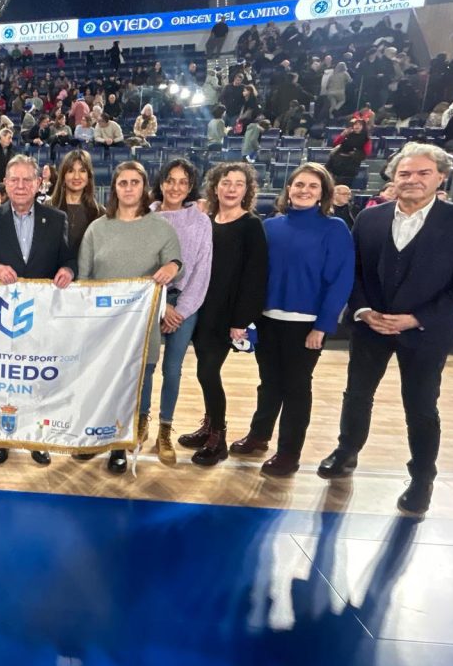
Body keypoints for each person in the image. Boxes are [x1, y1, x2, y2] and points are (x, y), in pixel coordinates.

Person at [317, 143, 453, 516]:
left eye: (423, 173)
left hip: (426, 331)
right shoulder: (371, 219)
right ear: (392, 177)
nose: (412, 180)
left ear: (441, 176)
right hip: (371, 326)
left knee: (421, 406)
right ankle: (347, 452)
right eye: (404, 174)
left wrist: (417, 317)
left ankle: (422, 476)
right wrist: (362, 310)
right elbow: (353, 273)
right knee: (357, 394)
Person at [229, 164, 354, 476]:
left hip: (307, 324)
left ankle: (289, 452)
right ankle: (259, 435)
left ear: (323, 193)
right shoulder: (271, 226)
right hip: (269, 319)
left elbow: (340, 281)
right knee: (269, 383)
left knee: (296, 389)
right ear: (289, 189)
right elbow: (256, 276)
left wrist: (323, 326)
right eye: (299, 184)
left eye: (312, 186)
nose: (304, 190)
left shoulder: (334, 228)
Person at [0, 154, 74, 467]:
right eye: (14, 179)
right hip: (1, 319)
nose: (20, 185)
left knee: (36, 382)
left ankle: (36, 438)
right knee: (3, 380)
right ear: (6, 182)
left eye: (27, 179)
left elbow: (68, 260)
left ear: (38, 183)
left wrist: (68, 271)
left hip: (42, 318)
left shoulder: (56, 219)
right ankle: (1, 437)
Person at [77, 161, 182, 472]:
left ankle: (120, 447)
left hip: (141, 326)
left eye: (135, 182)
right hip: (102, 327)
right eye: (122, 183)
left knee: (133, 388)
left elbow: (176, 261)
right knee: (98, 384)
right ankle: (95, 439)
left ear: (144, 187)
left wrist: (172, 267)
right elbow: (84, 277)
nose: (128, 188)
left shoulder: (161, 227)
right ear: (115, 189)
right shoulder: (97, 228)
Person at [178, 162, 267, 466]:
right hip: (201, 308)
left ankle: (219, 437)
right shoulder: (207, 221)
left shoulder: (251, 225)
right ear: (215, 187)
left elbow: (256, 277)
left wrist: (241, 321)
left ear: (247, 190)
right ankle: (208, 426)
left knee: (208, 373)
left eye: (238, 184)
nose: (231, 188)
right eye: (226, 182)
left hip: (227, 314)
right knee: (204, 372)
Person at [146, 159, 213, 464]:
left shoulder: (200, 221)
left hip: (186, 306)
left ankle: (164, 430)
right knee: (144, 367)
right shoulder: (145, 217)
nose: (175, 187)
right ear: (161, 182)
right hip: (150, 302)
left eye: (182, 182)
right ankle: (140, 424)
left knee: (172, 370)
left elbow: (201, 270)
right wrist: (162, 304)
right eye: (170, 180)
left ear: (190, 187)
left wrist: (180, 309)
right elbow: (141, 265)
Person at [48, 149, 104, 257]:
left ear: (89, 177)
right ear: (63, 176)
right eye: (70, 171)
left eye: (82, 171)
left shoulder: (99, 212)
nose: (76, 177)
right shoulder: (48, 208)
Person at [326, 118, 372, 187]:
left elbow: (366, 152)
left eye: (360, 125)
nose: (357, 126)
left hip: (351, 164)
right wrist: (342, 135)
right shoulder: (347, 134)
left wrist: (355, 153)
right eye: (356, 124)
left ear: (363, 127)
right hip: (338, 161)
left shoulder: (366, 138)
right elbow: (335, 143)